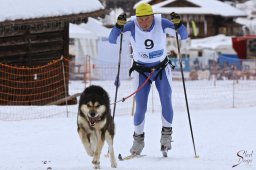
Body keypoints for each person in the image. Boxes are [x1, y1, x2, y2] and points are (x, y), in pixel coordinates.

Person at [108, 2, 188, 155]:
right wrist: (118, 26)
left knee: (166, 99)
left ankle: (166, 136)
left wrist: (179, 24)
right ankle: (138, 140)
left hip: (161, 69)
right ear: (136, 18)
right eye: (141, 19)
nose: (144, 22)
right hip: (141, 71)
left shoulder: (162, 23)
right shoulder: (131, 26)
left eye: (147, 18)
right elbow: (112, 40)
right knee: (141, 107)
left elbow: (183, 36)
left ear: (152, 16)